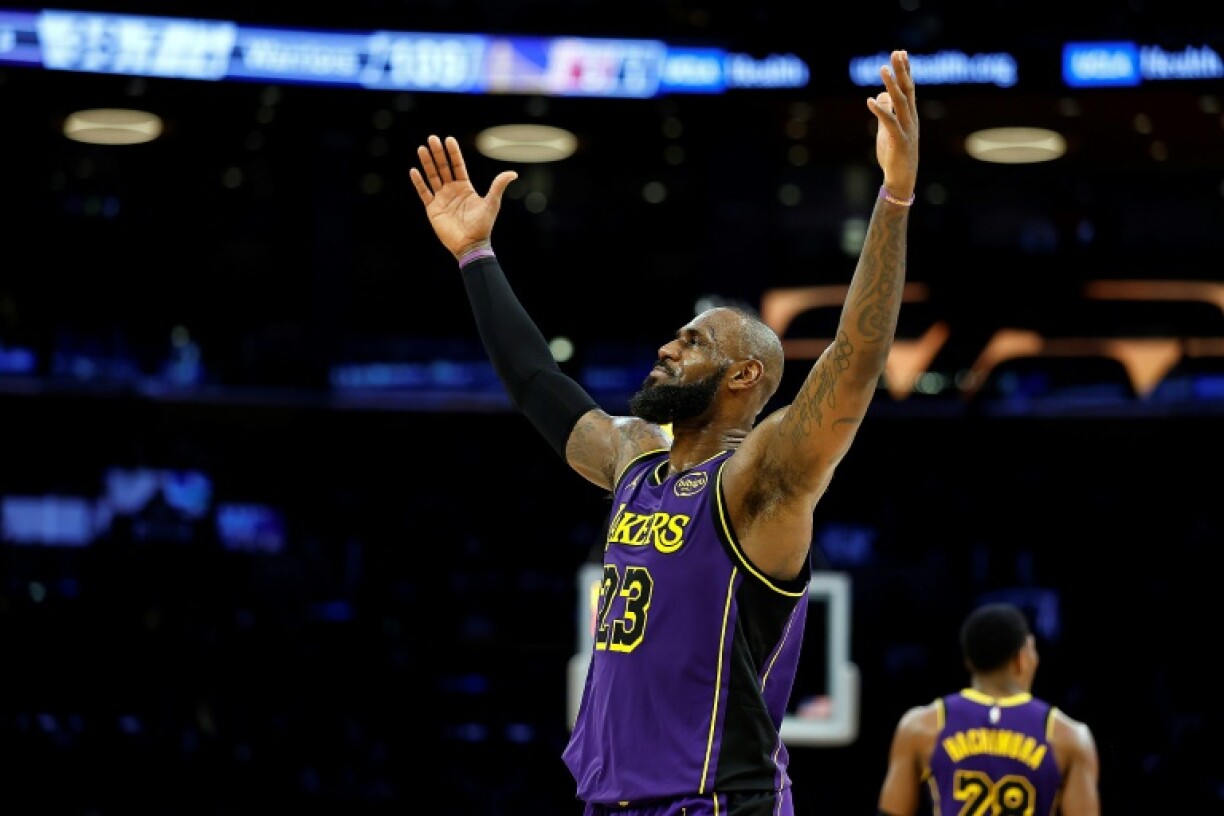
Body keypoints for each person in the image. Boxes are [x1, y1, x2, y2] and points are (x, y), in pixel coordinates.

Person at [410, 49, 919, 816]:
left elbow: (851, 366)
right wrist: (475, 256)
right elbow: (538, 386)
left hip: (712, 802)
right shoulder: (635, 462)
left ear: (743, 376)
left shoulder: (759, 484)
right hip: (612, 803)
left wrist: (895, 198)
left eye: (693, 341)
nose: (666, 347)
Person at [875, 602, 1102, 816]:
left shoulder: (920, 725)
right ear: (1021, 659)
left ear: (968, 661)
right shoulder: (1069, 735)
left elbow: (891, 812)